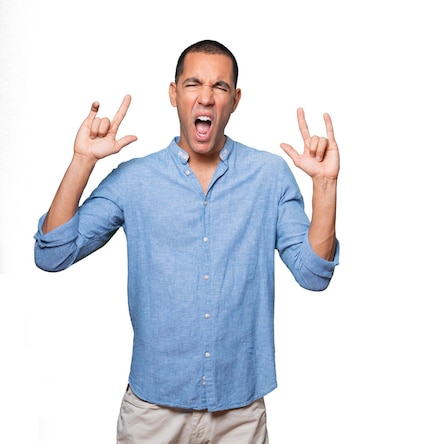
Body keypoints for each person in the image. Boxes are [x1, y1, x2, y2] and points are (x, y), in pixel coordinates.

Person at [33, 39, 340, 443]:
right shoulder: (134, 180)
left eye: (220, 87)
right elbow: (52, 254)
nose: (207, 98)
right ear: (174, 94)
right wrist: (82, 161)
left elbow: (313, 273)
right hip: (153, 414)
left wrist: (325, 185)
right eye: (193, 84)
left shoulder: (269, 176)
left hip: (240, 415)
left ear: (235, 100)